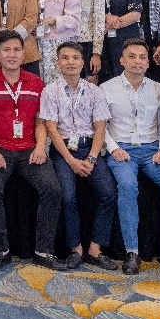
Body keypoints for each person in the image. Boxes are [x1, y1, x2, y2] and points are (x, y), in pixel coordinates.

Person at [101, 38, 160, 276]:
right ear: (122, 61)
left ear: (148, 62)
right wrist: (113, 148)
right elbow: (100, 127)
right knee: (128, 186)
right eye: (132, 56)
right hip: (122, 150)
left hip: (152, 150)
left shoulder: (159, 89)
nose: (137, 61)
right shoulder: (106, 88)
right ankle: (132, 251)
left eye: (142, 57)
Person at [0, 31, 66, 270]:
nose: (12, 54)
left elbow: (40, 121)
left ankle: (43, 251)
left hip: (29, 149)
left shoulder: (36, 82)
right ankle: (1, 250)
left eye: (16, 50)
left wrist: (40, 147)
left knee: (52, 189)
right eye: (6, 50)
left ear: (23, 53)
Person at [39, 40, 117, 270]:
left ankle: (95, 249)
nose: (70, 62)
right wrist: (72, 161)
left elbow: (100, 127)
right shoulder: (50, 91)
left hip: (89, 148)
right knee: (67, 197)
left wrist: (91, 158)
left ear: (83, 62)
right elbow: (51, 129)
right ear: (58, 62)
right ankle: (76, 249)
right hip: (63, 151)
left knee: (109, 193)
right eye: (65, 58)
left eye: (75, 58)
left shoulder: (94, 91)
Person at [33, 0, 83, 85]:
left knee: (59, 85)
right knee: (38, 84)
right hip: (36, 43)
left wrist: (53, 20)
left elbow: (75, 18)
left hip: (60, 43)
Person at [62, 0, 106, 80]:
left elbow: (99, 22)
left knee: (90, 84)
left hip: (88, 45)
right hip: (65, 43)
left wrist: (96, 53)